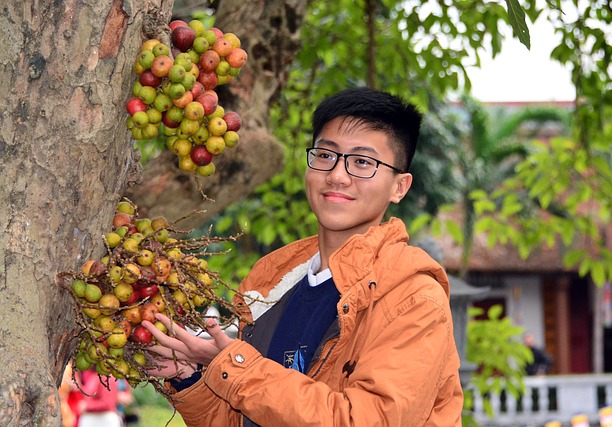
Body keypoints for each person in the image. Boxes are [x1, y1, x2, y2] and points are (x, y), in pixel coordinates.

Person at [142, 87, 464, 426]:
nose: (338, 175)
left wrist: (235, 367)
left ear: (400, 186)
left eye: (363, 162)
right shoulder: (272, 281)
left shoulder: (413, 298)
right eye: (326, 155)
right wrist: (191, 378)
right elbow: (245, 416)